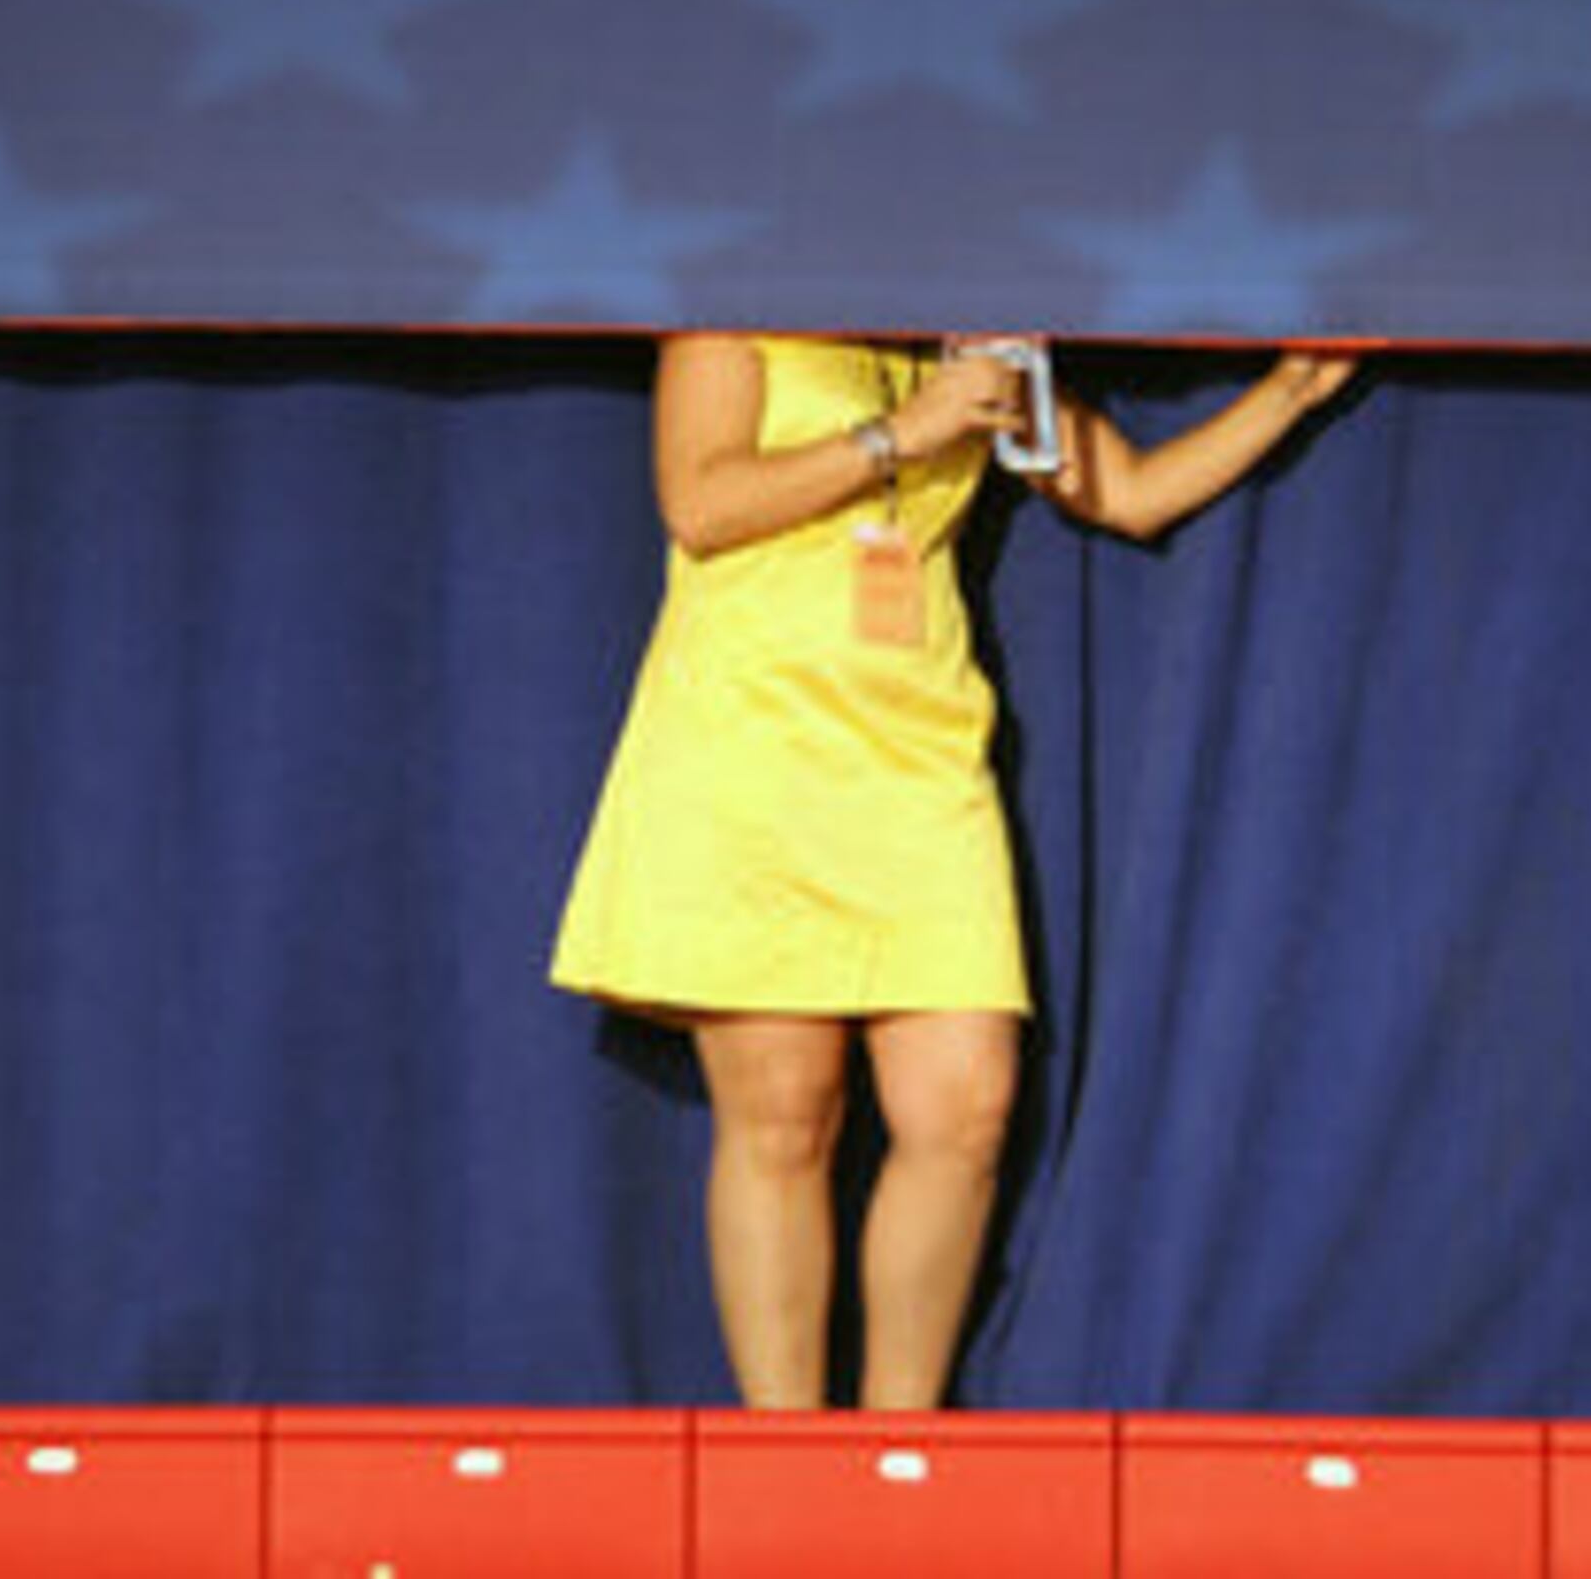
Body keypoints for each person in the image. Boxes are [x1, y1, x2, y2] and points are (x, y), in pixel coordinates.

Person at [550, 331, 1355, 1410]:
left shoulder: (979, 336)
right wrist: (902, 434)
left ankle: (900, 1444)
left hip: (918, 752)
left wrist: (1291, 391)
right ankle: (786, 1457)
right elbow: (701, 505)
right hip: (751, 743)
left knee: (966, 1104)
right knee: (788, 1110)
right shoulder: (737, 320)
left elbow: (1126, 491)